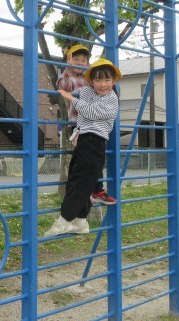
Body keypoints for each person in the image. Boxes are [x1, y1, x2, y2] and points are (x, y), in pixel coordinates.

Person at [45, 58, 121, 237]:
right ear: (91, 81)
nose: (103, 84)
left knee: (81, 182)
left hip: (95, 142)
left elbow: (91, 111)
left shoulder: (112, 99)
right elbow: (66, 88)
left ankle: (64, 220)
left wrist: (72, 99)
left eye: (107, 80)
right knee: (75, 178)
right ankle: (80, 221)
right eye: (98, 80)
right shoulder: (87, 91)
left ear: (113, 81)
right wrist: (69, 70)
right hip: (83, 140)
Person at [57, 45, 115, 206]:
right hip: (78, 125)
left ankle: (94, 191)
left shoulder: (90, 80)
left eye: (83, 60)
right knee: (87, 160)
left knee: (93, 159)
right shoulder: (68, 78)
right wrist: (68, 68)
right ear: (68, 61)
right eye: (75, 59)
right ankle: (92, 192)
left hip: (95, 125)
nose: (79, 62)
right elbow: (63, 86)